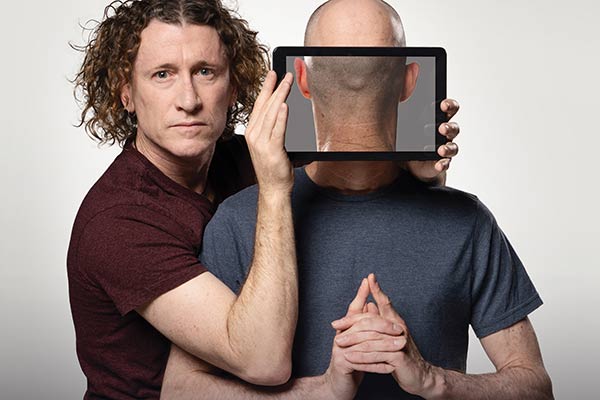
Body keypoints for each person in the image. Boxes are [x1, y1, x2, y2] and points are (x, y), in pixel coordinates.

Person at [162, 0, 553, 399]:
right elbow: (181, 390)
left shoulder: (466, 221)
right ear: (409, 80)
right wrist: (325, 389)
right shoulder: (240, 219)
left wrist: (431, 379)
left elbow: (534, 386)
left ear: (302, 79)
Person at [67, 0, 459, 398]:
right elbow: (261, 361)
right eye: (162, 74)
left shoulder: (248, 158)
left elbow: (356, 167)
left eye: (205, 72)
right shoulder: (117, 222)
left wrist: (418, 169)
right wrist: (273, 191)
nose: (188, 99)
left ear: (233, 86)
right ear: (126, 94)